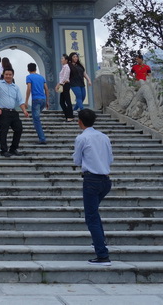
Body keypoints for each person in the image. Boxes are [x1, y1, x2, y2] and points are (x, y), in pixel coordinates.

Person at [72, 108, 113, 266]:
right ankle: (100, 241)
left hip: (91, 180)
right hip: (105, 180)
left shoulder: (82, 138)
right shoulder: (104, 137)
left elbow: (76, 160)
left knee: (91, 217)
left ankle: (102, 255)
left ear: (80, 121)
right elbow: (110, 158)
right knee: (94, 214)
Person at [0, 68, 30, 157]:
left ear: (13, 76)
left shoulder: (15, 87)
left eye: (10, 75)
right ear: (3, 75)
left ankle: (13, 149)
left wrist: (24, 111)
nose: (8, 76)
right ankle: (4, 150)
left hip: (13, 112)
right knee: (4, 131)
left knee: (19, 129)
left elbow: (20, 100)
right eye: (6, 74)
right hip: (3, 112)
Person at [25, 63, 50, 144]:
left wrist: (26, 101)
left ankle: (42, 138)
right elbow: (46, 89)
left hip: (36, 100)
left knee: (36, 120)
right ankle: (41, 135)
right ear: (35, 69)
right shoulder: (41, 77)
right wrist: (47, 101)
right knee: (36, 118)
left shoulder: (29, 77)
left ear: (28, 69)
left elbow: (29, 88)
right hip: (43, 100)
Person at [58, 54, 75, 122]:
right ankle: (67, 115)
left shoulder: (66, 67)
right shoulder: (64, 67)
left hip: (65, 84)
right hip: (63, 85)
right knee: (62, 102)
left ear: (66, 60)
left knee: (67, 101)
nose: (61, 60)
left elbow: (64, 77)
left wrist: (59, 85)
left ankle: (70, 116)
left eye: (62, 58)